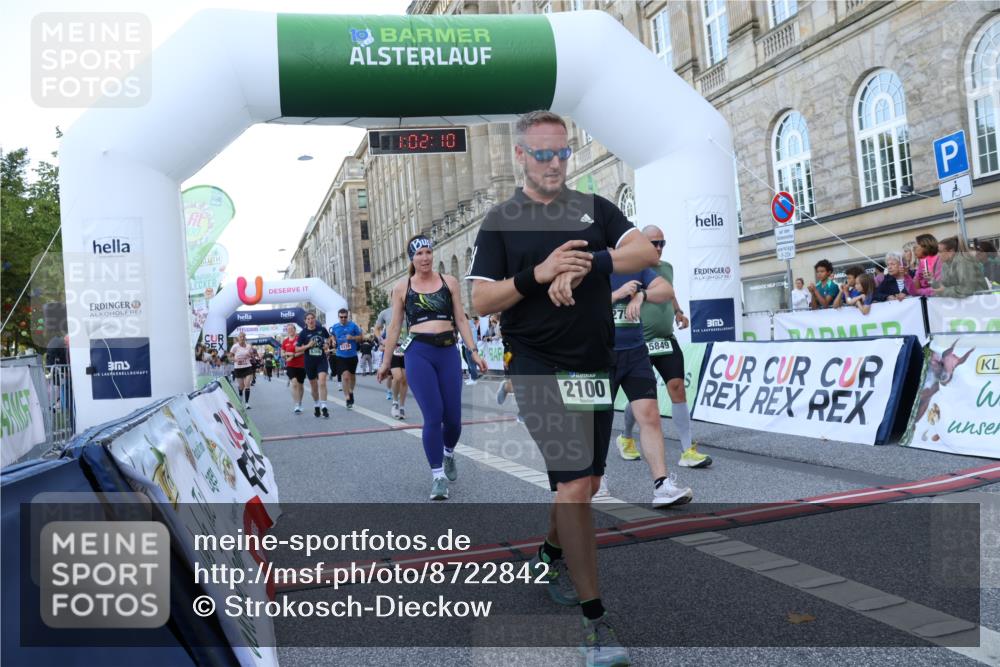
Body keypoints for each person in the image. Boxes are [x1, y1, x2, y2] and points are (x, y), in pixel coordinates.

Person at [467, 110, 659, 667]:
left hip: (591, 366)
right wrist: (542, 272)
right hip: (535, 366)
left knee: (589, 483)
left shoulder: (594, 209)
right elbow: (480, 300)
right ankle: (596, 625)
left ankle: (550, 552)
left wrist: (590, 263)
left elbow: (645, 252)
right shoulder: (503, 221)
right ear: (521, 156)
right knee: (575, 485)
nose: (554, 163)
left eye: (562, 152)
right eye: (542, 153)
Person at [377, 235, 486, 501]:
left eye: (428, 252)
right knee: (433, 415)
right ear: (411, 259)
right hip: (419, 353)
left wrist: (473, 352)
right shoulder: (402, 287)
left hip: (448, 351)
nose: (425, 258)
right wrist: (386, 361)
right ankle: (437, 477)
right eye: (419, 254)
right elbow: (394, 327)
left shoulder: (449, 282)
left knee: (454, 420)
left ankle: (448, 454)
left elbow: (460, 317)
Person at [617, 225, 712, 473]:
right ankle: (626, 437)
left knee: (677, 387)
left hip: (664, 337)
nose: (658, 248)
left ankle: (687, 450)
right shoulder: (632, 267)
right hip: (640, 342)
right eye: (653, 243)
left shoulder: (666, 267)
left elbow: (669, 292)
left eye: (662, 243)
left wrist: (679, 312)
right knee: (641, 399)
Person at [604, 258, 695, 507]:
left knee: (650, 416)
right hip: (600, 354)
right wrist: (617, 295)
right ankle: (595, 478)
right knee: (596, 420)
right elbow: (575, 305)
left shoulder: (634, 266)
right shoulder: (590, 265)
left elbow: (666, 289)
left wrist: (641, 295)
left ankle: (662, 485)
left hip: (635, 352)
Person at [296, 311, 332, 418]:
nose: (311, 320)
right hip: (309, 362)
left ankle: (324, 406)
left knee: (322, 382)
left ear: (315, 319)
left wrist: (326, 344)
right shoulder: (303, 333)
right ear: (305, 321)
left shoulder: (321, 329)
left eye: (312, 318)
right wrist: (308, 345)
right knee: (314, 386)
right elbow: (297, 348)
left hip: (321, 360)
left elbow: (329, 338)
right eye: (308, 319)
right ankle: (316, 404)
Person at [375, 304, 409, 418]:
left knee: (405, 380)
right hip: (392, 347)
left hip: (406, 347)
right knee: (397, 377)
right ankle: (395, 403)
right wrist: (382, 340)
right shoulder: (385, 312)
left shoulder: (408, 310)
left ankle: (403, 407)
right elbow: (377, 328)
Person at [331, 308, 364, 410]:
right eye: (341, 317)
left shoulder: (353, 326)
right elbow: (332, 336)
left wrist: (353, 338)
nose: (343, 319)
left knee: (352, 377)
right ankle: (347, 398)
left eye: (345, 317)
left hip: (352, 356)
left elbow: (361, 337)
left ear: (348, 316)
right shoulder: (335, 327)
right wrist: (333, 341)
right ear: (338, 317)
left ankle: (350, 391)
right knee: (345, 377)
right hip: (341, 356)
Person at [281, 323, 306, 413]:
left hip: (301, 365)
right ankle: (296, 405)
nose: (290, 330)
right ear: (287, 331)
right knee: (294, 383)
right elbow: (282, 353)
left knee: (300, 385)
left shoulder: (299, 339)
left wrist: (294, 355)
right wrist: (288, 354)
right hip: (290, 365)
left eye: (292, 329)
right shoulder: (285, 341)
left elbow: (303, 350)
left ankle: (300, 402)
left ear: (295, 330)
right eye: (288, 329)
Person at [229, 331, 254, 409]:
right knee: (241, 387)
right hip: (238, 368)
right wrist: (235, 360)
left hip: (247, 367)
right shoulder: (235, 347)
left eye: (243, 337)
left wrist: (249, 355)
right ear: (238, 338)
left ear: (245, 338)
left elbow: (252, 356)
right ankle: (240, 396)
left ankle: (247, 403)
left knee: (247, 386)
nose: (242, 338)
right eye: (241, 337)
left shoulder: (249, 346)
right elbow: (230, 357)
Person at [461, 313, 480, 386]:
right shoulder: (469, 324)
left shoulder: (469, 325)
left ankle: (474, 379)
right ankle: (472, 377)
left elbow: (472, 337)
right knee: (470, 363)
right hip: (468, 346)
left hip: (470, 347)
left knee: (472, 363)